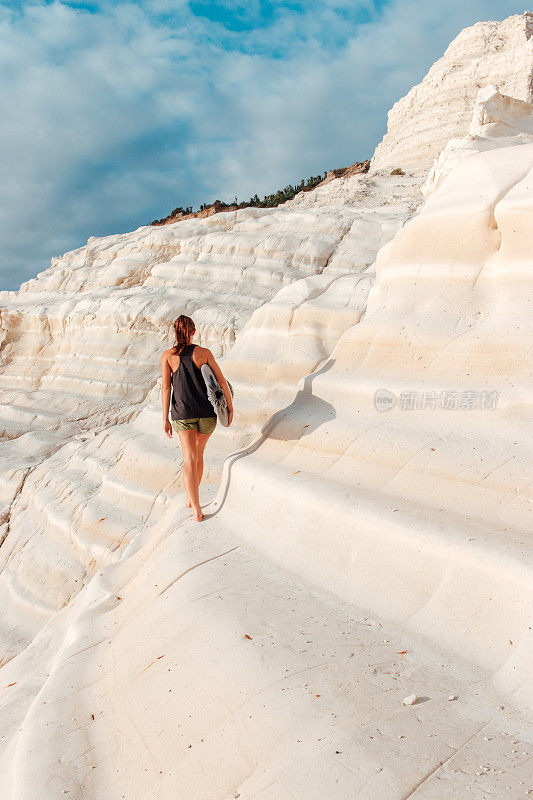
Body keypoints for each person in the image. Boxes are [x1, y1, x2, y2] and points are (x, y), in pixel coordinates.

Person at [161, 314, 233, 522]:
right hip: (206, 414)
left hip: (183, 414)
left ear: (175, 332)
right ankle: (192, 500)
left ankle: (195, 510)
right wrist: (229, 405)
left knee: (189, 458)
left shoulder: (168, 356)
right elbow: (220, 381)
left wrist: (165, 417)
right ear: (193, 331)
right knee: (198, 454)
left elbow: (166, 387)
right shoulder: (204, 353)